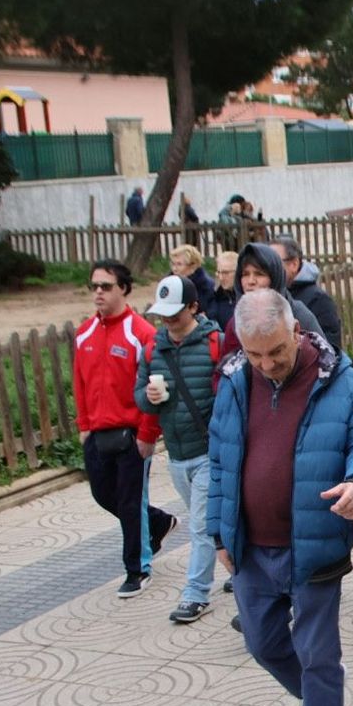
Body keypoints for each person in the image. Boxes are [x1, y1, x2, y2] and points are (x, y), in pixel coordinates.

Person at [207, 290, 353, 706]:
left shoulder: (343, 383)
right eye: (256, 354)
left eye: (276, 353)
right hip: (252, 546)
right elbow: (221, 459)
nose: (267, 365)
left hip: (313, 544)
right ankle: (323, 692)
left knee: (315, 651)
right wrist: (220, 531)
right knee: (263, 645)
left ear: (296, 333)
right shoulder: (236, 383)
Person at [73, 260, 175, 599]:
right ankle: (158, 522)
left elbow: (154, 389)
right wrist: (84, 425)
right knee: (105, 495)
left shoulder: (141, 333)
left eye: (106, 286)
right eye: (94, 287)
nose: (98, 292)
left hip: (131, 435)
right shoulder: (84, 332)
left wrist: (147, 435)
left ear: (124, 289)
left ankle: (137, 568)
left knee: (131, 502)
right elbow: (80, 382)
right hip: (97, 435)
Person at [135, 275, 223, 623]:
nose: (168, 320)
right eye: (163, 313)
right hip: (175, 453)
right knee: (209, 521)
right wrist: (149, 399)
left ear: (193, 307)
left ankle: (195, 593)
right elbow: (139, 394)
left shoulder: (215, 343)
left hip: (209, 452)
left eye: (175, 312)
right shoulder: (153, 349)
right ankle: (238, 564)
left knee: (200, 525)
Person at [215, 243, 324, 384]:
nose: (251, 281)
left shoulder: (297, 314)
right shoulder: (237, 322)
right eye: (245, 274)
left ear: (275, 276)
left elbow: (324, 362)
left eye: (259, 274)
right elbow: (223, 374)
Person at [273, 237, 343, 351]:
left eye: (275, 262)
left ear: (294, 264)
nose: (268, 268)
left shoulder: (319, 300)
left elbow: (330, 350)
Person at [167, 245, 216, 317]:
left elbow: (210, 312)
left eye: (179, 264)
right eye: (173, 264)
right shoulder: (168, 283)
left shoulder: (206, 287)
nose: (174, 269)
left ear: (193, 266)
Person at [209, 250, 239, 330]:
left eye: (226, 273)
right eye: (219, 272)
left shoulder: (246, 298)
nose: (221, 278)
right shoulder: (214, 297)